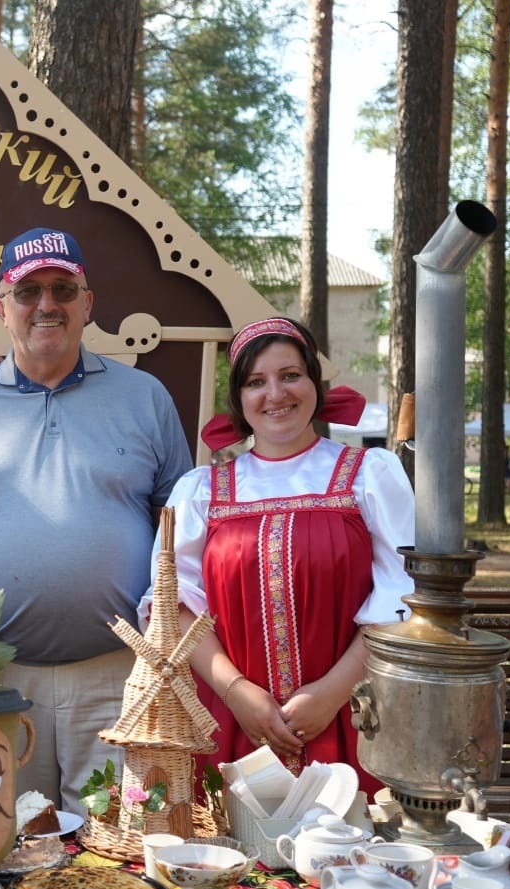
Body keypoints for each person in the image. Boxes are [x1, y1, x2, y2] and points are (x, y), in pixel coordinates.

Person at [0, 226, 193, 812]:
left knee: (118, 842)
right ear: (3, 308)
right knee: (1, 837)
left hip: (118, 678)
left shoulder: (146, 397)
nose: (47, 304)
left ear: (87, 303)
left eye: (63, 289)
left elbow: (182, 531)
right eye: (29, 291)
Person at [144, 317, 415, 796]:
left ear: (314, 381)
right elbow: (175, 605)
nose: (275, 394)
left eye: (290, 375)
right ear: (239, 399)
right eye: (256, 382)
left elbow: (402, 596)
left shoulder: (367, 475)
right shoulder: (202, 490)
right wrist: (238, 693)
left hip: (354, 714)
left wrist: (331, 694)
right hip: (227, 720)